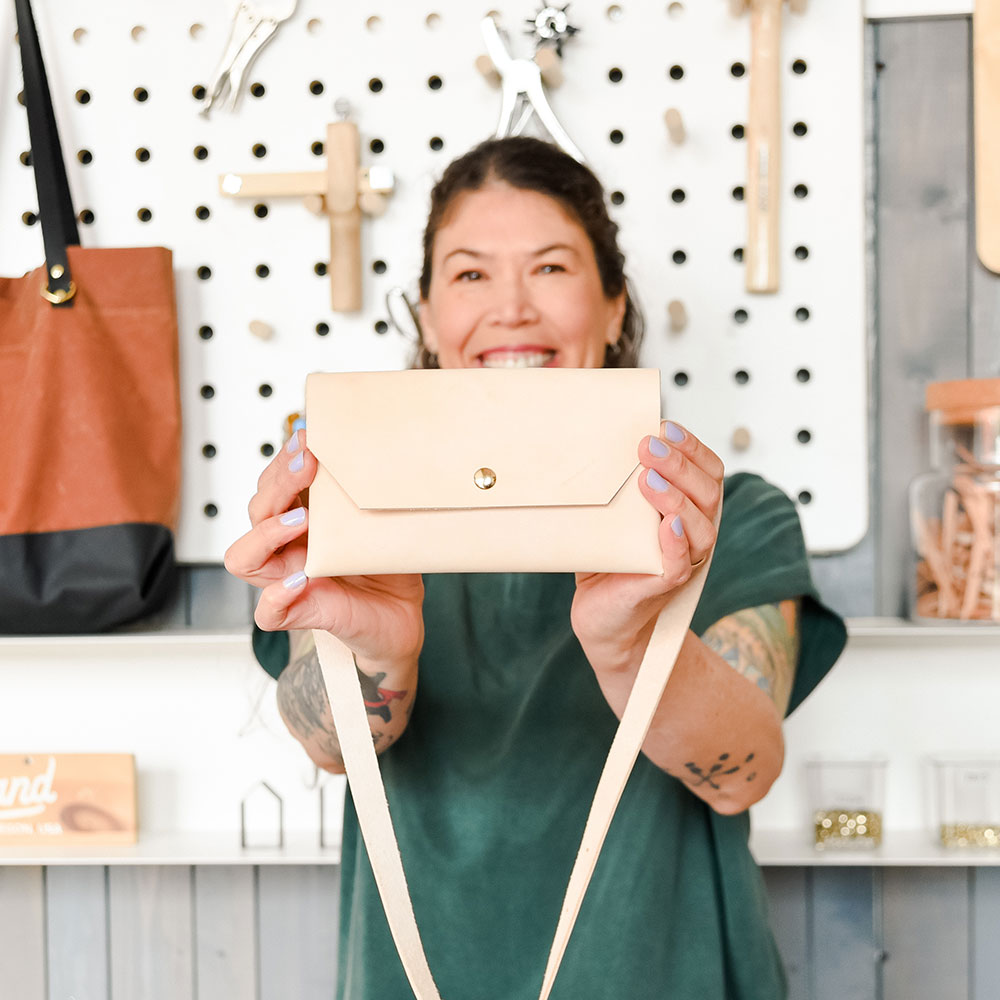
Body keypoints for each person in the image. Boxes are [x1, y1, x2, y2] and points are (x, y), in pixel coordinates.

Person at [225, 136, 847, 1000]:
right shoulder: (352, 517)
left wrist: (630, 645)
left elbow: (744, 771)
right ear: (427, 315)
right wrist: (377, 650)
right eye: (471, 274)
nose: (511, 309)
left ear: (614, 304)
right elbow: (331, 745)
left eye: (551, 268)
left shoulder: (721, 517)